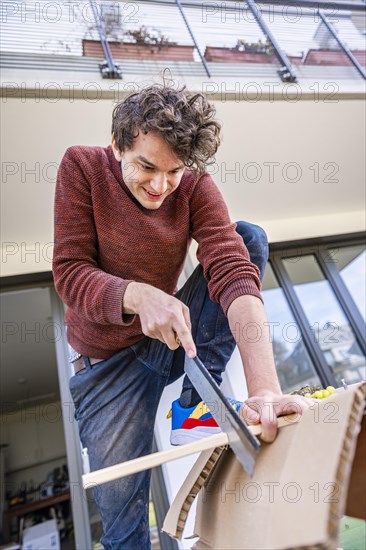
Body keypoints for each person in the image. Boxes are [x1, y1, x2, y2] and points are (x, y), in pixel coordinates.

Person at [52, 83, 309, 549]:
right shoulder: (82, 166)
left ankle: (192, 410)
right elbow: (69, 274)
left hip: (167, 345)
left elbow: (233, 270)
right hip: (104, 372)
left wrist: (265, 387)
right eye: (147, 166)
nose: (160, 185)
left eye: (174, 172)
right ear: (117, 144)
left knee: (247, 238)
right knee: (126, 532)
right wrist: (137, 296)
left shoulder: (193, 185)